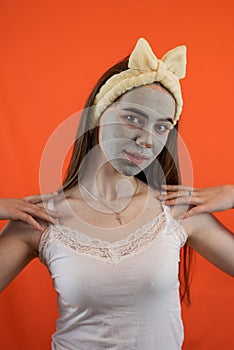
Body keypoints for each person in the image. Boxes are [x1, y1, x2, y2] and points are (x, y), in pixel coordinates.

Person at [0, 38, 233, 350]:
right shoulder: (40, 218)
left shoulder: (177, 211)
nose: (146, 140)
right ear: (99, 114)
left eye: (162, 127)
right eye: (132, 118)